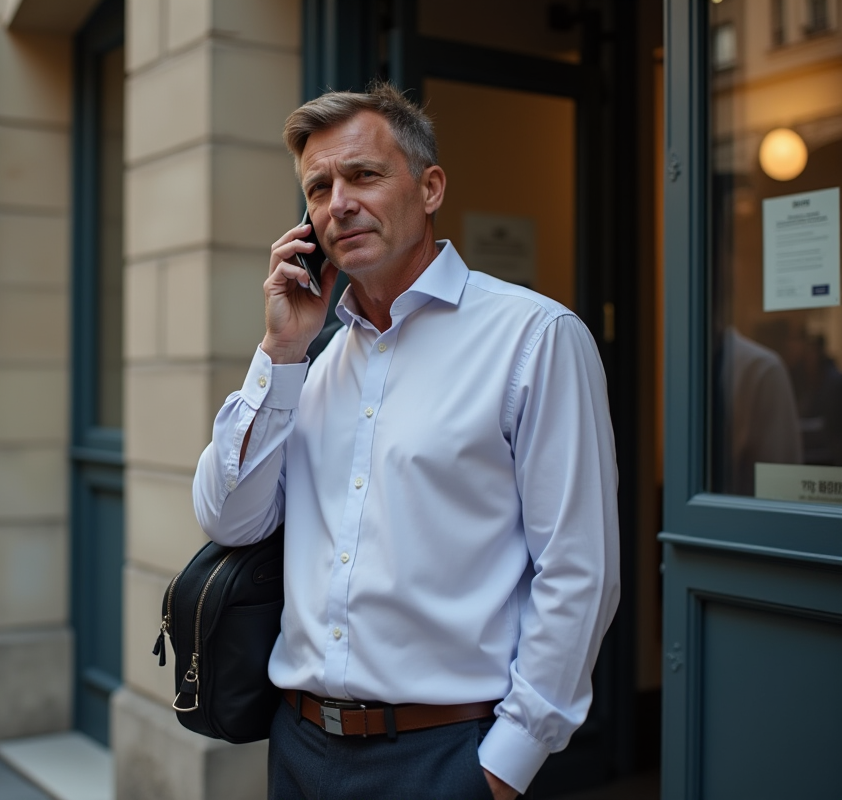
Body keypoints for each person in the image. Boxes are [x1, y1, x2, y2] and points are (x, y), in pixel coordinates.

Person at [192, 82, 620, 800]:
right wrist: (279, 349)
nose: (339, 204)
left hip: (446, 757)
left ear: (429, 189)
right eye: (319, 187)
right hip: (297, 748)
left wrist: (501, 768)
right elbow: (228, 517)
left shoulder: (534, 338)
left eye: (364, 175)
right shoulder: (313, 361)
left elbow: (579, 571)